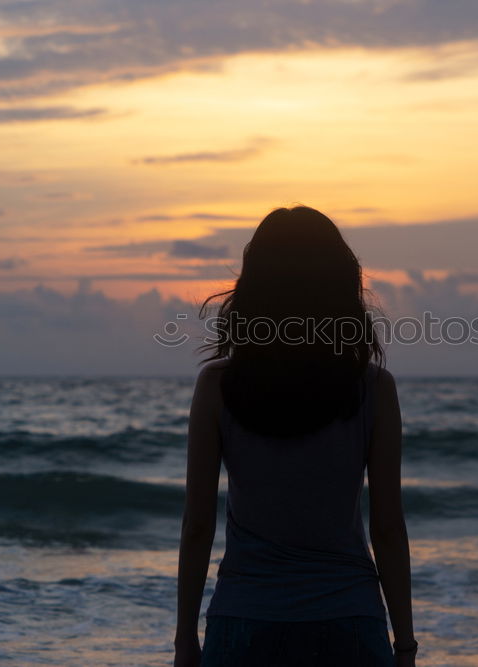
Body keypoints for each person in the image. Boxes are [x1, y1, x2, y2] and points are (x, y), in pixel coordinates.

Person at [173, 206, 417, 666]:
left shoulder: (217, 386)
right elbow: (387, 528)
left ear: (255, 287)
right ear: (341, 287)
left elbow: (198, 525)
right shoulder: (374, 390)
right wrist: (404, 646)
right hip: (349, 620)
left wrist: (185, 639)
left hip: (245, 620)